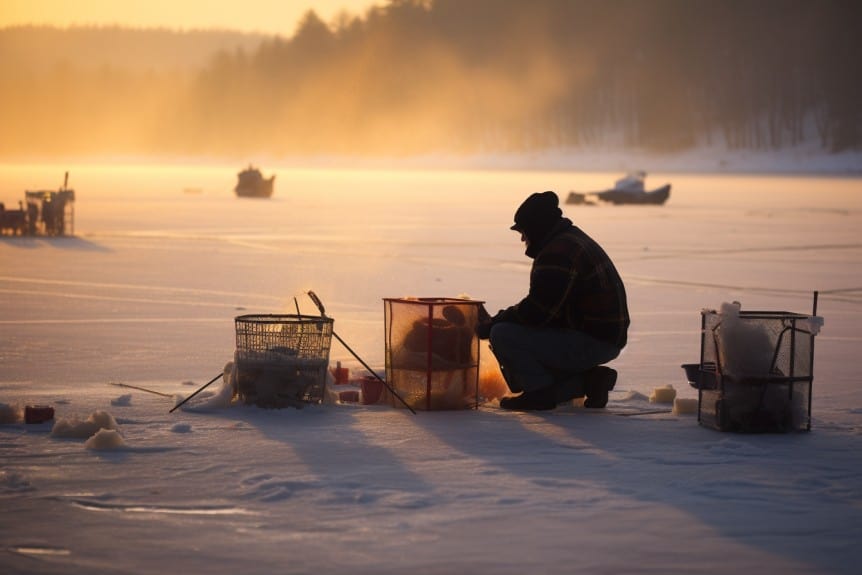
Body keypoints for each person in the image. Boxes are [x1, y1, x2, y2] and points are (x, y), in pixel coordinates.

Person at [476, 191, 630, 410]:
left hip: (593, 341)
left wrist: (494, 324)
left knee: (504, 335)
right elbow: (548, 308)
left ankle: (540, 393)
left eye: (523, 231)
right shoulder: (570, 239)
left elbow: (538, 312)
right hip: (599, 337)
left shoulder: (558, 252)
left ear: (536, 228)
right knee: (513, 330)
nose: (522, 239)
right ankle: (591, 380)